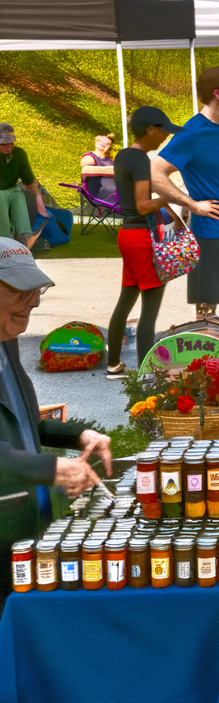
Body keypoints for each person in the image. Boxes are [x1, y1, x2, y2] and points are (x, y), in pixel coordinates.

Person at [0, 238, 112, 607]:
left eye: (36, 290)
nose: (33, 300)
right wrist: (51, 467)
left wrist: (79, 435)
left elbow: (26, 424)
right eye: (20, 290)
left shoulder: (7, 340)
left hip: (26, 520)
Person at [150, 66, 219, 355]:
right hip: (209, 234)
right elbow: (155, 172)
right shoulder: (193, 132)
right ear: (217, 94)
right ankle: (207, 370)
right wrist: (191, 204)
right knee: (206, 314)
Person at [106, 107, 195, 378]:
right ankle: (148, 373)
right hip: (143, 237)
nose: (165, 137)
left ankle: (114, 365)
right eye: (163, 131)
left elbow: (135, 204)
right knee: (149, 310)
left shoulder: (123, 155)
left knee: (125, 301)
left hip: (128, 234)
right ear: (150, 130)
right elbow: (144, 205)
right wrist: (176, 200)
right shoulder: (142, 159)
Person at [0, 124, 47, 249]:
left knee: (18, 195)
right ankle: (3, 243)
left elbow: (28, 179)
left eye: (11, 143)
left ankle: (23, 242)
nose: (8, 147)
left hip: (11, 188)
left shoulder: (19, 154)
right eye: (3, 144)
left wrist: (38, 196)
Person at [80, 133, 117, 202]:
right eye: (101, 141)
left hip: (113, 188)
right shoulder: (89, 157)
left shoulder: (110, 160)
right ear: (95, 141)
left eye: (107, 143)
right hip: (99, 190)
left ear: (110, 147)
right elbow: (85, 170)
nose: (103, 144)